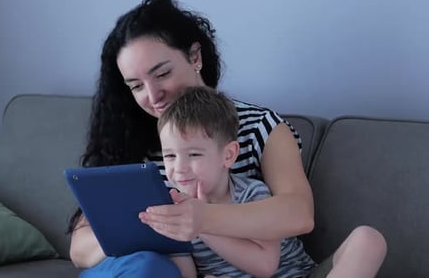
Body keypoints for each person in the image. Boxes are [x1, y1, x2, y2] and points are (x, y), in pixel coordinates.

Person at [67, 0, 387, 277]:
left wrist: (202, 218)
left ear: (195, 56)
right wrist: (148, 227)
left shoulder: (260, 127)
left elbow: (298, 214)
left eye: (162, 73)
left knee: (367, 240)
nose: (153, 96)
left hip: (288, 269)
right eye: (136, 85)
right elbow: (80, 247)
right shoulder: (129, 140)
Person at [157, 86, 386, 278]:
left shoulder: (252, 193)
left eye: (194, 155)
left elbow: (265, 265)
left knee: (368, 239)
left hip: (301, 274)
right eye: (170, 156)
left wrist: (202, 225)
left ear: (228, 155)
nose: (179, 167)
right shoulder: (173, 213)